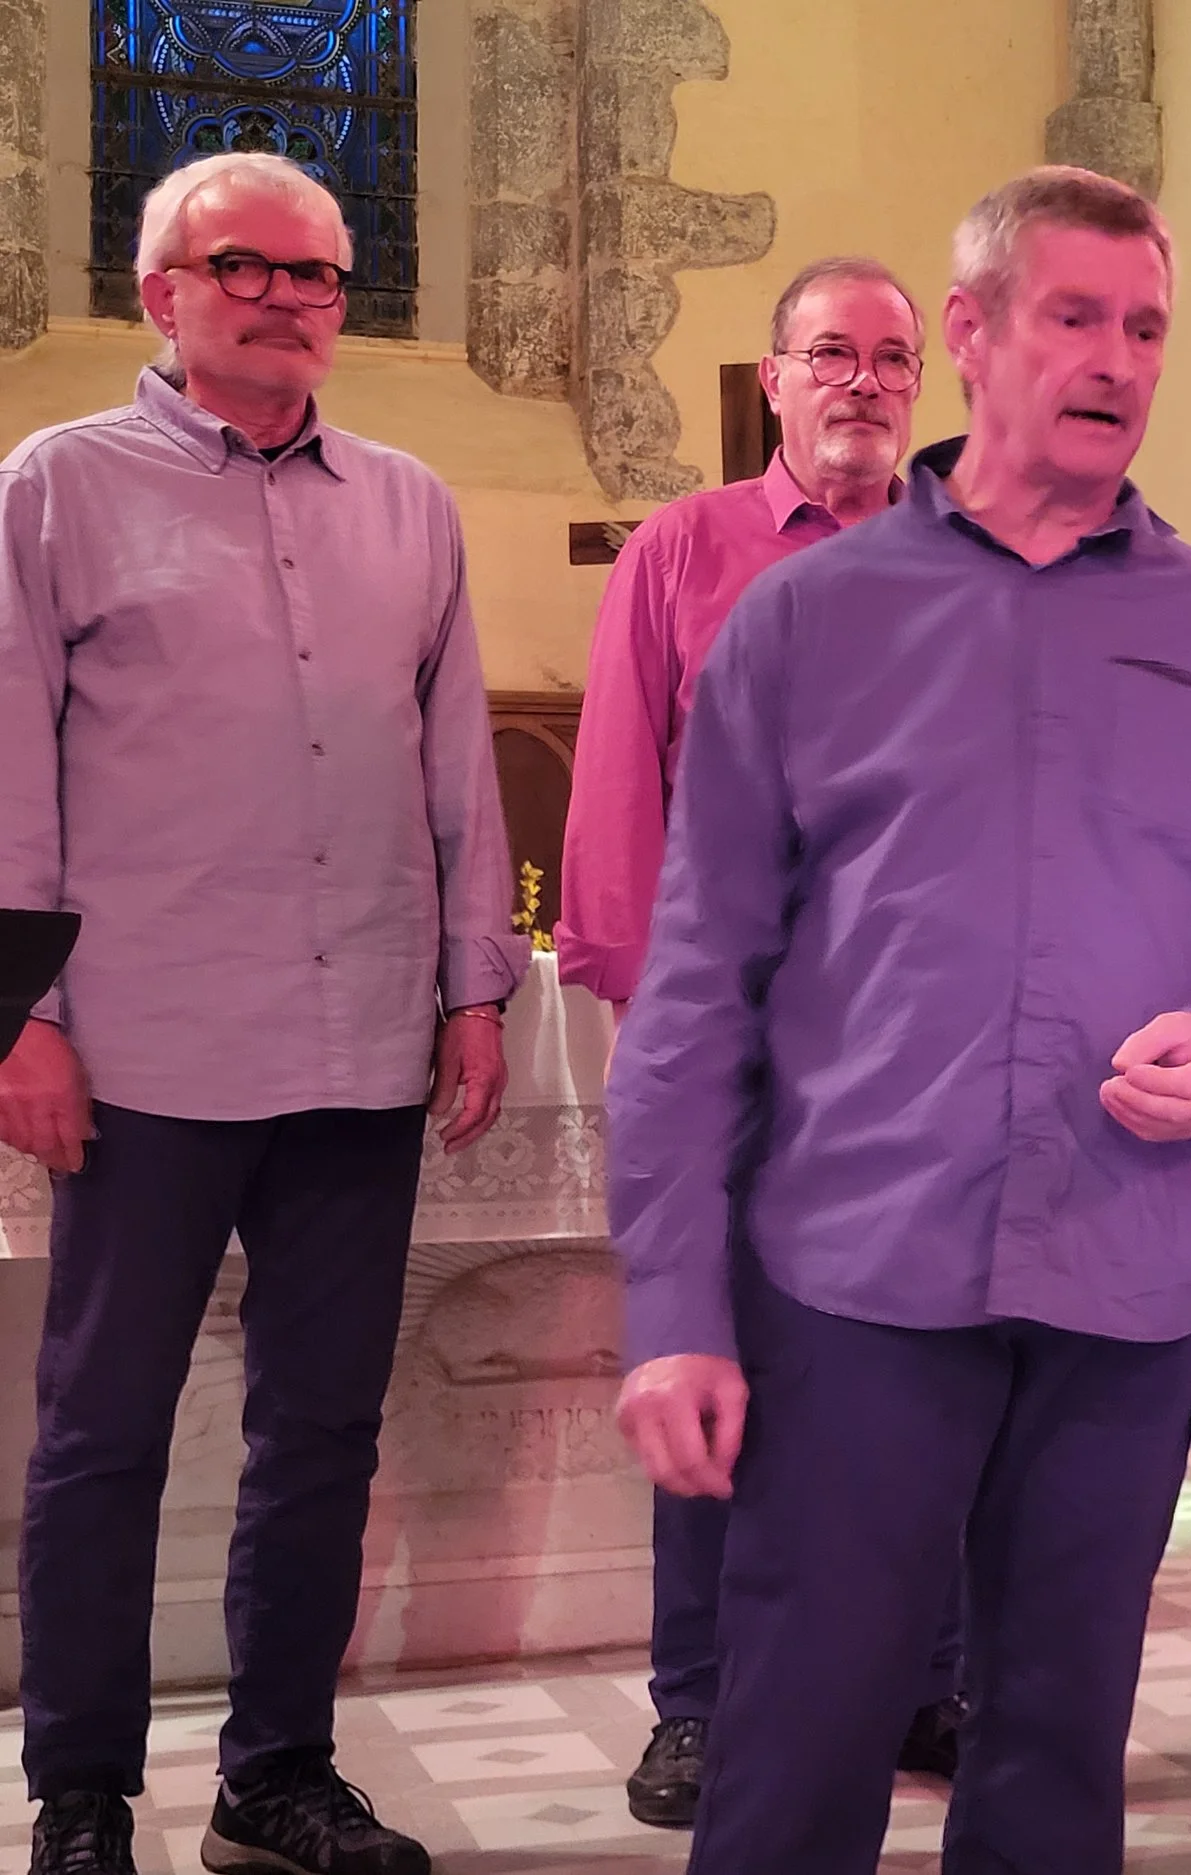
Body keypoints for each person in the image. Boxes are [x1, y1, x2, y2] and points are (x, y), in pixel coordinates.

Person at [604, 165, 1191, 1874]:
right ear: (970, 335)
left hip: (1133, 1280)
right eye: (1075, 315)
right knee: (800, 1741)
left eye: (1148, 326)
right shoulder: (807, 622)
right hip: (856, 1281)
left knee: (1051, 1753)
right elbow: (696, 987)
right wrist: (672, 1302)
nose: (1117, 356)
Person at [0, 151, 525, 1875]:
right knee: (104, 1428)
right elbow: (6, 773)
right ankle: (80, 1791)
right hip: (144, 1043)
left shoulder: (413, 504)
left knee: (322, 1428)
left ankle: (275, 1774)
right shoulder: (55, 489)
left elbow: (455, 766)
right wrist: (23, 1015)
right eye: (252, 267)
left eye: (322, 274)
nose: (296, 298)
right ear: (164, 291)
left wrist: (472, 983)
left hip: (360, 1037)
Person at [554, 253, 964, 1825]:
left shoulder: (963, 553)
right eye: (829, 354)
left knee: (928, 1372)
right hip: (735, 1040)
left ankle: (929, 1672)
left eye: (890, 358)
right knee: (713, 1362)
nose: (862, 381)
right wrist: (654, 1005)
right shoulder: (685, 547)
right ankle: (699, 1699)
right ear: (773, 379)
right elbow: (617, 786)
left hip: (919, 1055)